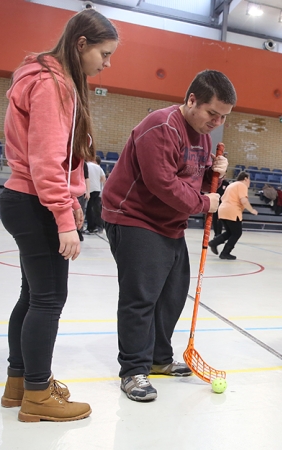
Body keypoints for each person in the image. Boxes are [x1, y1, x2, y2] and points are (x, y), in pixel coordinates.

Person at [0, 9, 118, 422]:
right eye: (104, 53)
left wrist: (73, 203)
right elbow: (47, 161)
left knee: (33, 296)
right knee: (49, 300)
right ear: (80, 44)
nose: (107, 63)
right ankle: (37, 395)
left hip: (25, 199)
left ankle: (19, 384)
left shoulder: (40, 77)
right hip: (35, 203)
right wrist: (65, 219)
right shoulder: (53, 86)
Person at [101, 70, 234, 402]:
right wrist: (206, 202)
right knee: (141, 297)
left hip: (168, 224)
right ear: (192, 100)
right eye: (211, 113)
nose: (215, 122)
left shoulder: (202, 136)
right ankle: (133, 370)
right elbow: (162, 183)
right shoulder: (160, 127)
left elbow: (190, 178)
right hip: (134, 218)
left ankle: (159, 358)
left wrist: (212, 176)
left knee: (173, 294)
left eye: (222, 117)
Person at [209, 171, 258, 260]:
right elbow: (244, 200)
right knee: (237, 233)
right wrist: (252, 210)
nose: (249, 182)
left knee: (230, 232)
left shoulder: (232, 185)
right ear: (245, 179)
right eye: (249, 179)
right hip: (232, 211)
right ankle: (225, 253)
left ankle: (214, 242)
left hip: (223, 209)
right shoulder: (241, 185)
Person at [85, 155, 106, 233]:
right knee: (97, 209)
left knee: (89, 209)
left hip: (88, 189)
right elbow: (103, 179)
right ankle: (99, 226)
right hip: (97, 189)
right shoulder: (98, 167)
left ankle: (91, 227)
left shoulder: (86, 165)